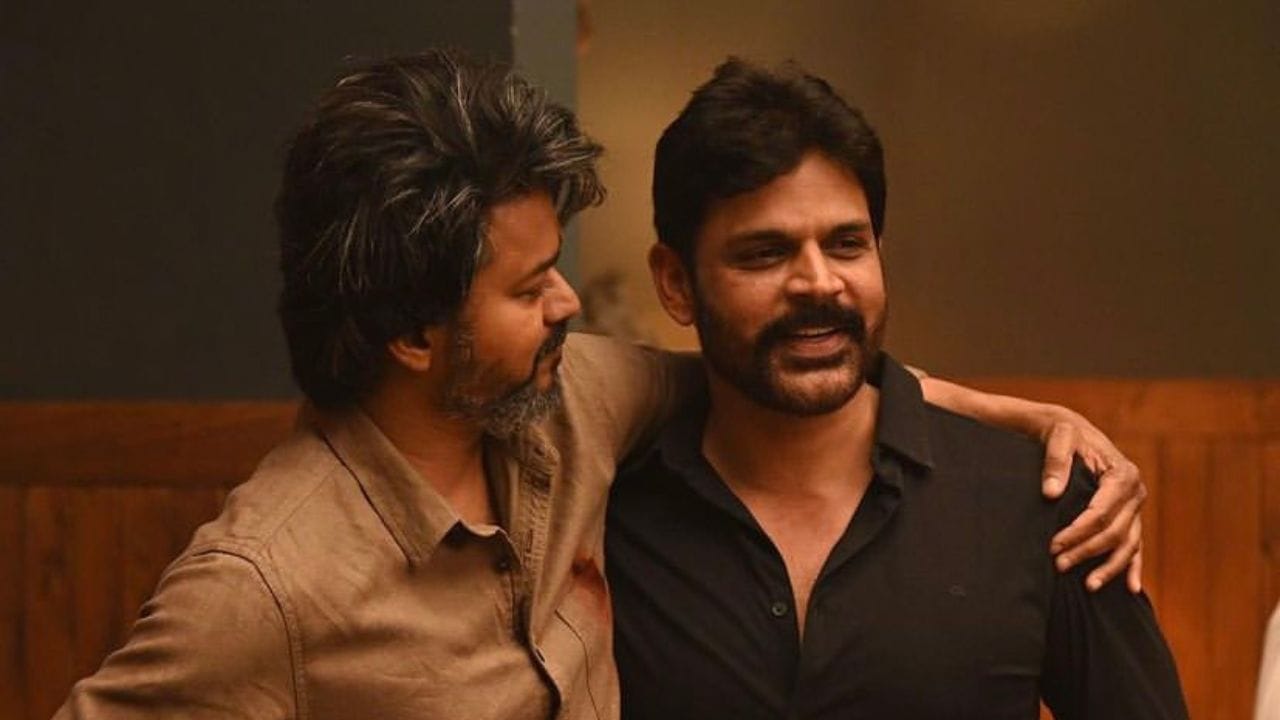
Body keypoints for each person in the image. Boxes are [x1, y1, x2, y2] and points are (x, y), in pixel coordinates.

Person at [56, 50, 1144, 719]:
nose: (570, 304)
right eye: (530, 287)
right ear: (412, 334)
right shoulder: (262, 585)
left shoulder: (569, 405)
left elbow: (775, 360)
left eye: (846, 245)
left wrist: (1024, 419)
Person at [606, 58, 1187, 719]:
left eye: (847, 244)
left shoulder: (1041, 502)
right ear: (676, 283)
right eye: (765, 253)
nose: (819, 283)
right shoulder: (609, 513)